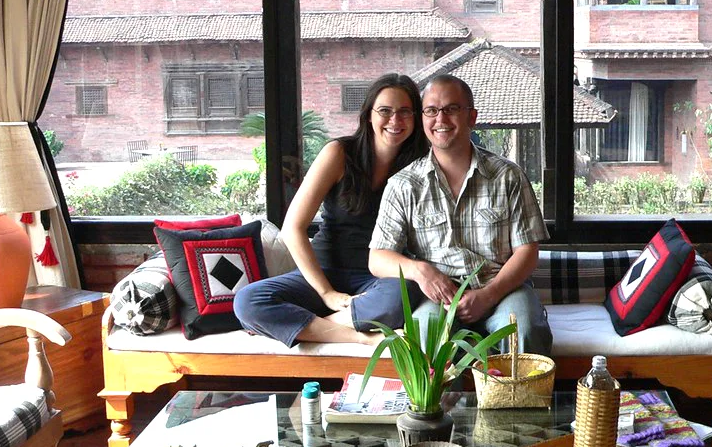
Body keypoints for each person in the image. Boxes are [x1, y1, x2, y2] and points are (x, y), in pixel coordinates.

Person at [234, 73, 428, 346]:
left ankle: (306, 325)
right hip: (324, 271)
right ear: (368, 115)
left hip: (379, 279)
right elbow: (293, 228)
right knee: (248, 301)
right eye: (385, 111)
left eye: (405, 112)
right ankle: (361, 337)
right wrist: (326, 293)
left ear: (416, 118)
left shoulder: (421, 165)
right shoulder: (339, 153)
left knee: (403, 295)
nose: (395, 121)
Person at [368, 75, 552, 356]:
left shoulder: (507, 176)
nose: (440, 119)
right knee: (424, 332)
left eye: (451, 109)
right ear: (423, 119)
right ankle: (437, 390)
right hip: (439, 297)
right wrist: (422, 272)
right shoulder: (404, 184)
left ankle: (519, 389)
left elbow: (527, 251)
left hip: (502, 289)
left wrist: (488, 295)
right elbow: (378, 258)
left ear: (471, 117)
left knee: (522, 329)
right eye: (431, 110)